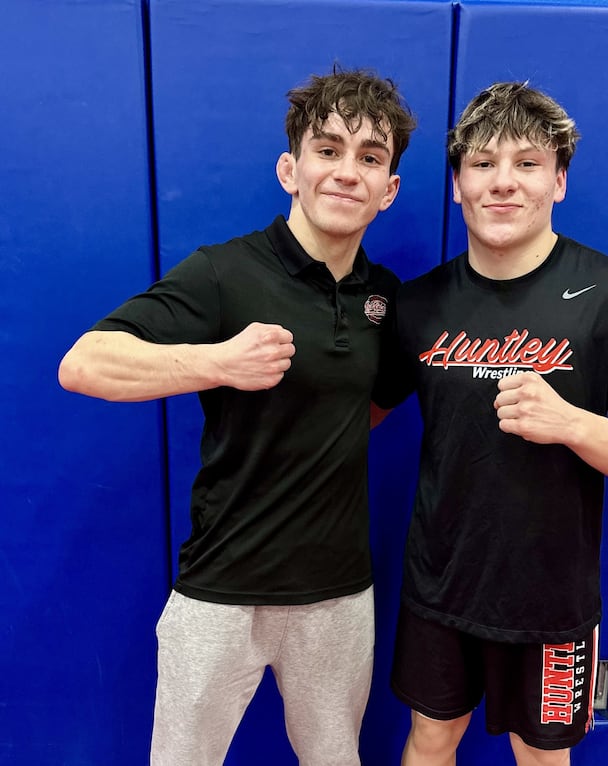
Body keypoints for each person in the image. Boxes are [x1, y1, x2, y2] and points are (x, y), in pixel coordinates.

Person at [58, 68, 416, 766]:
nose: (347, 171)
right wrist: (218, 362)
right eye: (328, 149)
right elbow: (85, 364)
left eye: (369, 157)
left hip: (338, 594)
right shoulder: (225, 273)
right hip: (222, 589)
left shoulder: (385, 299)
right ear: (291, 170)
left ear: (389, 188)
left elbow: (367, 406)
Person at [372, 82, 608, 766]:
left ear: (559, 181)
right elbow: (359, 413)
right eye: (483, 164)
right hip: (439, 589)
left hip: (551, 602)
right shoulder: (420, 304)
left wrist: (571, 423)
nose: (503, 182)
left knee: (542, 756)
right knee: (430, 740)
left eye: (527, 163)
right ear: (457, 185)